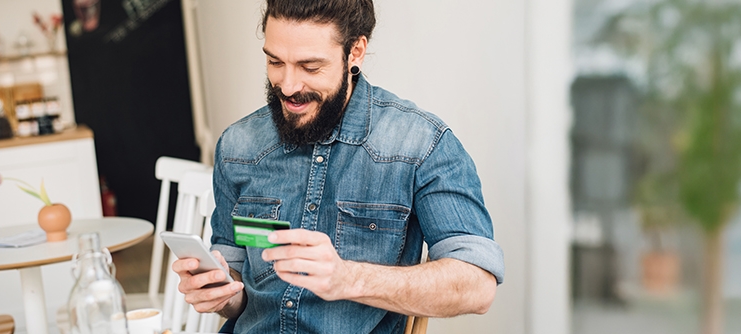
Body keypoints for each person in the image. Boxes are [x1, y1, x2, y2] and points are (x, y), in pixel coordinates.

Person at [171, 1, 505, 332]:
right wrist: (218, 291)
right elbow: (238, 293)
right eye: (275, 61)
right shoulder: (238, 146)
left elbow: (476, 286)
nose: (287, 86)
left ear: (355, 52)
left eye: (310, 67)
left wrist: (348, 279)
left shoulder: (420, 144)